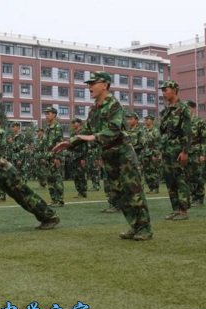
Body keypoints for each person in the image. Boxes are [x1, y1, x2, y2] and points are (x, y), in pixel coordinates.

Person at [53, 71, 153, 241]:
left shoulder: (114, 105)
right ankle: (135, 226)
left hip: (123, 154)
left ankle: (145, 228)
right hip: (108, 156)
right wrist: (70, 142)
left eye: (93, 83)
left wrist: (95, 137)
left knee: (133, 191)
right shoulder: (94, 110)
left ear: (105, 85)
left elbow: (114, 129)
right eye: (89, 84)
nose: (89, 86)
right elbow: (86, 131)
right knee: (119, 194)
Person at [159, 80, 191, 220]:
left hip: (178, 149)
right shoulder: (165, 111)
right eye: (163, 90)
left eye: (166, 90)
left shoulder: (183, 109)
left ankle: (183, 210)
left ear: (175, 90)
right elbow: (163, 132)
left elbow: (187, 132)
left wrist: (185, 151)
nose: (164, 92)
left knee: (180, 179)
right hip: (167, 150)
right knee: (169, 180)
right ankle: (176, 209)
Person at [186, 100, 206, 207]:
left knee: (198, 176)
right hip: (186, 153)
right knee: (188, 176)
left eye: (188, 108)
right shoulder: (184, 122)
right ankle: (192, 197)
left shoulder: (199, 122)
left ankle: (199, 198)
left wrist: (202, 154)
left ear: (193, 109)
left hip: (196, 152)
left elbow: (204, 139)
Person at [43, 106, 65, 207]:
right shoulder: (47, 128)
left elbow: (59, 143)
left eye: (49, 113)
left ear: (54, 114)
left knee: (57, 178)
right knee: (50, 179)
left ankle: (60, 200)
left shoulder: (57, 127)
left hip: (55, 156)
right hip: (48, 157)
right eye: (46, 113)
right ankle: (53, 199)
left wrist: (57, 157)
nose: (46, 115)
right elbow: (46, 144)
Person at [141, 115, 161, 194]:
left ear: (152, 121)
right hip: (144, 153)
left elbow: (158, 143)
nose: (146, 121)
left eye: (148, 119)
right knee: (147, 172)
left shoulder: (155, 130)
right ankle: (151, 188)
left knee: (154, 171)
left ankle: (155, 188)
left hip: (153, 153)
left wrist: (156, 154)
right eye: (145, 119)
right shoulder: (143, 130)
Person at [69, 118, 88, 198]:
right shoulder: (73, 134)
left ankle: (83, 192)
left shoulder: (83, 133)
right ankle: (79, 191)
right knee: (75, 176)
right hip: (74, 157)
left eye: (75, 122)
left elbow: (85, 146)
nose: (73, 124)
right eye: (72, 123)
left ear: (79, 123)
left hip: (81, 156)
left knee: (81, 175)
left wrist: (83, 158)